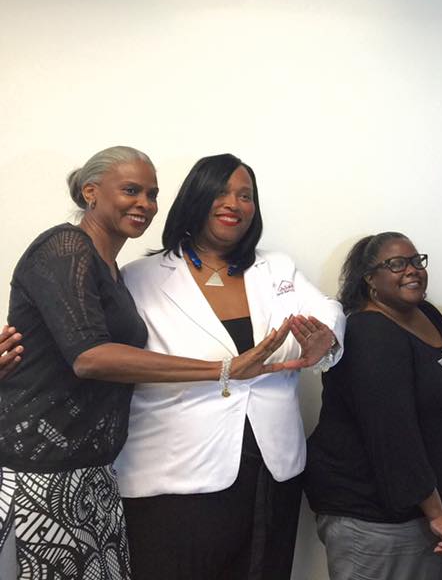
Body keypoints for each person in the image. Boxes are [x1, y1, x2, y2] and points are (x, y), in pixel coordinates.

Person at [0, 146, 297, 580]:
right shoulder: (65, 247)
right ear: (90, 192)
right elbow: (89, 356)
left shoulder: (114, 270)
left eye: (152, 194)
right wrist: (224, 369)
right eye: (131, 190)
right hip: (42, 469)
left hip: (95, 470)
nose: (144, 203)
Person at [113, 153, 345, 580]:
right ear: (195, 198)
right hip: (174, 473)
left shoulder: (276, 268)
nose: (234, 203)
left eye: (245, 195)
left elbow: (327, 308)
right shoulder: (138, 277)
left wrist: (325, 338)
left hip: (270, 469)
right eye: (221, 192)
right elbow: (113, 358)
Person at [304, 232, 442, 580]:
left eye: (416, 261)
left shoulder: (426, 314)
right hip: (375, 519)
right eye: (396, 264)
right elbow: (393, 432)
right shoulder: (369, 332)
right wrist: (436, 512)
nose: (412, 270)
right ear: (370, 279)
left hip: (427, 511)